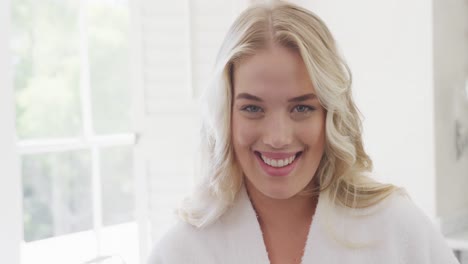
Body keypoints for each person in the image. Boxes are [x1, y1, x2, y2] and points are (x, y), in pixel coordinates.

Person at [148, 1, 460, 263]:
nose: (277, 137)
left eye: (302, 108)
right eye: (252, 108)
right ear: (224, 115)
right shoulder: (182, 251)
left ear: (330, 115)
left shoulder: (397, 229)